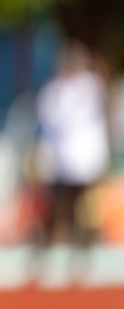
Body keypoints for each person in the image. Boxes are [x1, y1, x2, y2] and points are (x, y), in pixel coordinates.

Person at [31, 40, 113, 285]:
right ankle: (48, 259)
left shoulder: (90, 86)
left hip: (86, 162)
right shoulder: (53, 91)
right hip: (61, 162)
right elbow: (49, 126)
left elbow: (104, 98)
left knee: (86, 213)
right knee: (57, 211)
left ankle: (83, 259)